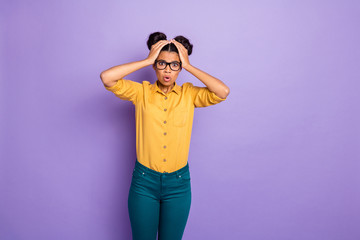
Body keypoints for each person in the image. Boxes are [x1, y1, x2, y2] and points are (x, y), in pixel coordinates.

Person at [100, 32, 230, 240]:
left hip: (178, 184)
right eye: (161, 63)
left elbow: (222, 92)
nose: (167, 70)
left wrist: (188, 65)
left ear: (180, 67)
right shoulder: (141, 92)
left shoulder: (190, 94)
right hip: (144, 182)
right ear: (155, 66)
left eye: (174, 65)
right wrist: (147, 59)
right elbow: (107, 78)